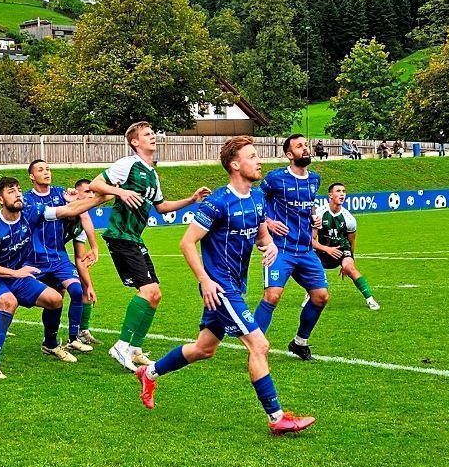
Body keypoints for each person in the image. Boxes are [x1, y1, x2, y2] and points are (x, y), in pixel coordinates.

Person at [135, 136, 316, 435]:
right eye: (253, 156)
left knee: (204, 348)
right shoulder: (217, 202)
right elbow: (187, 242)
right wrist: (205, 280)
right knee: (260, 345)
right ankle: (277, 418)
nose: (259, 161)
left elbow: (261, 234)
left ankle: (149, 372)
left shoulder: (257, 198)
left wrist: (268, 245)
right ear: (235, 165)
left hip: (236, 285)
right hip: (219, 288)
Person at [90, 121, 212, 373]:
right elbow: (95, 184)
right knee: (147, 292)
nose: (153, 137)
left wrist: (191, 199)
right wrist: (120, 192)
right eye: (147, 134)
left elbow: (161, 207)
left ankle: (135, 348)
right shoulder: (128, 164)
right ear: (135, 142)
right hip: (121, 236)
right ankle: (121, 346)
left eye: (153, 133)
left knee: (155, 295)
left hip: (135, 238)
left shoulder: (151, 173)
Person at [0, 177, 104, 378]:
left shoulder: (31, 212)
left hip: (16, 274)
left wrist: (102, 198)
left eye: (18, 189)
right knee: (8, 302)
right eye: (10, 191)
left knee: (55, 299)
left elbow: (67, 210)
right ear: (0, 199)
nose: (17, 194)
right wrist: (16, 273)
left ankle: (50, 345)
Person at [255, 134, 330, 361]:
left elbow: (308, 208)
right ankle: (255, 348)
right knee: (273, 296)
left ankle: (300, 342)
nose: (305, 149)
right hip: (280, 248)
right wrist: (267, 221)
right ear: (289, 155)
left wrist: (315, 218)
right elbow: (256, 199)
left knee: (321, 296)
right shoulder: (275, 178)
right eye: (299, 146)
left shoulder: (314, 179)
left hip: (305, 249)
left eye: (306, 145)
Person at [24, 159, 98, 360]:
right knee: (52, 300)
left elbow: (81, 213)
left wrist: (73, 200)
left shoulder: (60, 193)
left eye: (48, 168)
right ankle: (49, 342)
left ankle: (74, 338)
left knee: (76, 290)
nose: (46, 172)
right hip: (35, 259)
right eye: (41, 170)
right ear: (32, 176)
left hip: (58, 257)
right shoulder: (26, 200)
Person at [314, 183, 380, 311]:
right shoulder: (319, 214)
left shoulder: (349, 219)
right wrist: (327, 249)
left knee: (350, 268)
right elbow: (310, 240)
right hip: (323, 249)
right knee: (312, 267)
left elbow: (351, 242)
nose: (342, 194)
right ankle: (311, 294)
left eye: (344, 191)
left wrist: (349, 260)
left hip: (341, 250)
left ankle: (370, 299)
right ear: (330, 195)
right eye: (338, 191)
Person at [66, 179, 101, 347]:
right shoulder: (63, 208)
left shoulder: (81, 221)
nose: (91, 196)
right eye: (87, 192)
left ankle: (81, 332)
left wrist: (90, 285)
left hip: (56, 257)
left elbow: (80, 258)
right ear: (75, 193)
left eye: (93, 192)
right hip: (34, 254)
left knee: (84, 289)